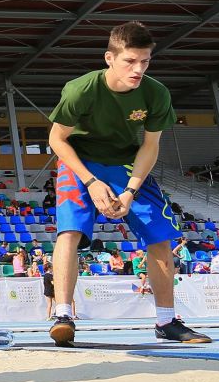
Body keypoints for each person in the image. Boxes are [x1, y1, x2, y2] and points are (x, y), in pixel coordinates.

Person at [46, 22, 210, 346]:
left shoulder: (156, 93)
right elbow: (56, 139)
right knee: (70, 231)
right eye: (130, 61)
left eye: (145, 61)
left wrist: (131, 190)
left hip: (125, 162)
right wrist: (91, 182)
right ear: (110, 58)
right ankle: (63, 316)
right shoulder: (81, 90)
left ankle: (166, 321)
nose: (138, 69)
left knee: (160, 236)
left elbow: (150, 145)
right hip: (79, 160)